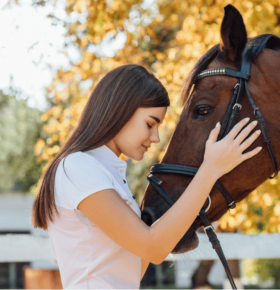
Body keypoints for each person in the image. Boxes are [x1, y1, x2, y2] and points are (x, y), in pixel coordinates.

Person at [31, 64, 262, 290]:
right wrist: (210, 170)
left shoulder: (109, 174)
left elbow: (138, 263)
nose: (156, 137)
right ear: (120, 111)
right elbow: (152, 249)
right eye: (150, 124)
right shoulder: (78, 167)